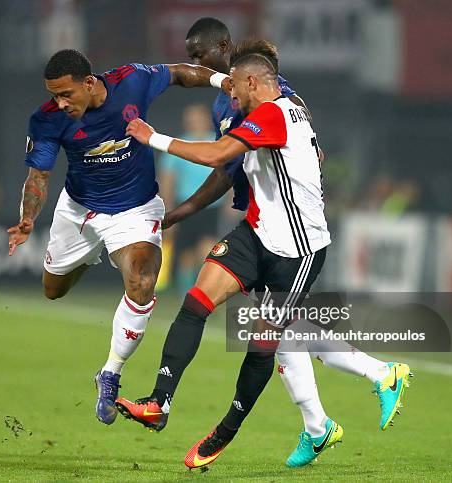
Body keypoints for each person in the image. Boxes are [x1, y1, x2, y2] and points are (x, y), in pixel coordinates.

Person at [116, 39, 412, 468]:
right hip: (256, 232)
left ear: (252, 81)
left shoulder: (273, 112)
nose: (228, 93)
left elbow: (220, 156)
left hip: (298, 252)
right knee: (198, 302)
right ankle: (159, 401)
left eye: (234, 85)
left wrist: (153, 138)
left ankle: (228, 431)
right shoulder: (280, 107)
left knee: (266, 342)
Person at [7, 48, 231, 426]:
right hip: (79, 210)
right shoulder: (45, 120)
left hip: (136, 209)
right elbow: (39, 176)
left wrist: (219, 80)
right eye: (53, 96)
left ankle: (110, 373)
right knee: (53, 290)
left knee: (143, 280)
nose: (60, 103)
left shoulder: (132, 81)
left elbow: (179, 72)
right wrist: (28, 218)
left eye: (66, 94)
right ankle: (89, 255)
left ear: (89, 82)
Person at [158, 104, 220, 293]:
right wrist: (168, 210)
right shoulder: (178, 145)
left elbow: (229, 174)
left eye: (199, 117)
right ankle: (187, 294)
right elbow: (167, 180)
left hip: (210, 208)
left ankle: (204, 292)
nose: (195, 122)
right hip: (185, 207)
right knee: (186, 255)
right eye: (191, 118)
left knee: (207, 251)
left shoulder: (217, 143)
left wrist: (232, 204)